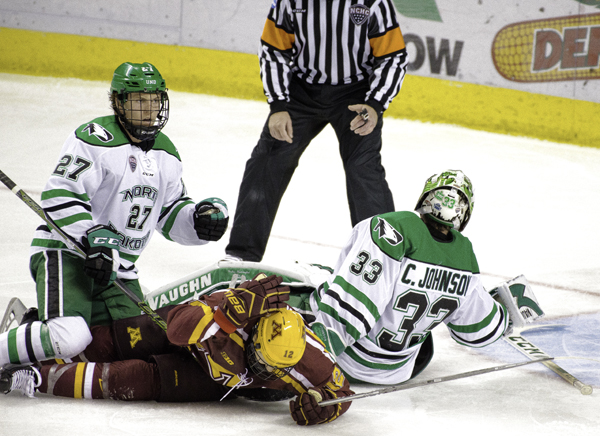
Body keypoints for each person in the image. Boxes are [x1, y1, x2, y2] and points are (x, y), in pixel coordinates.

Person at [0, 62, 229, 368]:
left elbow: (169, 212)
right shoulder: (96, 138)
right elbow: (59, 194)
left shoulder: (166, 153)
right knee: (69, 338)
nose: (149, 109)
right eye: (138, 101)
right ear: (118, 102)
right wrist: (92, 235)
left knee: (135, 341)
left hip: (118, 268)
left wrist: (198, 222)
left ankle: (32, 325)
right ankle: (23, 339)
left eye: (154, 101)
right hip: (68, 253)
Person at [1, 275, 354, 426]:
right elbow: (179, 328)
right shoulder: (236, 309)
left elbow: (340, 393)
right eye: (259, 358)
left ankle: (32, 377)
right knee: (113, 341)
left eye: (271, 368)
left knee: (136, 380)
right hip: (194, 332)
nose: (261, 370)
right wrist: (227, 316)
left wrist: (323, 411)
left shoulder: (307, 357)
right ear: (254, 335)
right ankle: (33, 341)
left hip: (215, 380)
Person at [225, 0, 408, 262]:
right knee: (268, 160)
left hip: (356, 95)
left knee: (363, 169)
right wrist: (278, 105)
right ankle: (241, 256)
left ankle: (382, 260)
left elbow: (393, 56)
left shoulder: (373, 3)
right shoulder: (290, 2)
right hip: (300, 93)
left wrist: (375, 104)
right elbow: (273, 49)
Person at [308, 170, 520, 385]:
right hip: (396, 371)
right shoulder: (464, 255)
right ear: (463, 215)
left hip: (345, 360)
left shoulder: (394, 227)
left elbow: (355, 304)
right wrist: (507, 315)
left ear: (426, 199)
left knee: (312, 285)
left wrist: (312, 358)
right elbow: (480, 330)